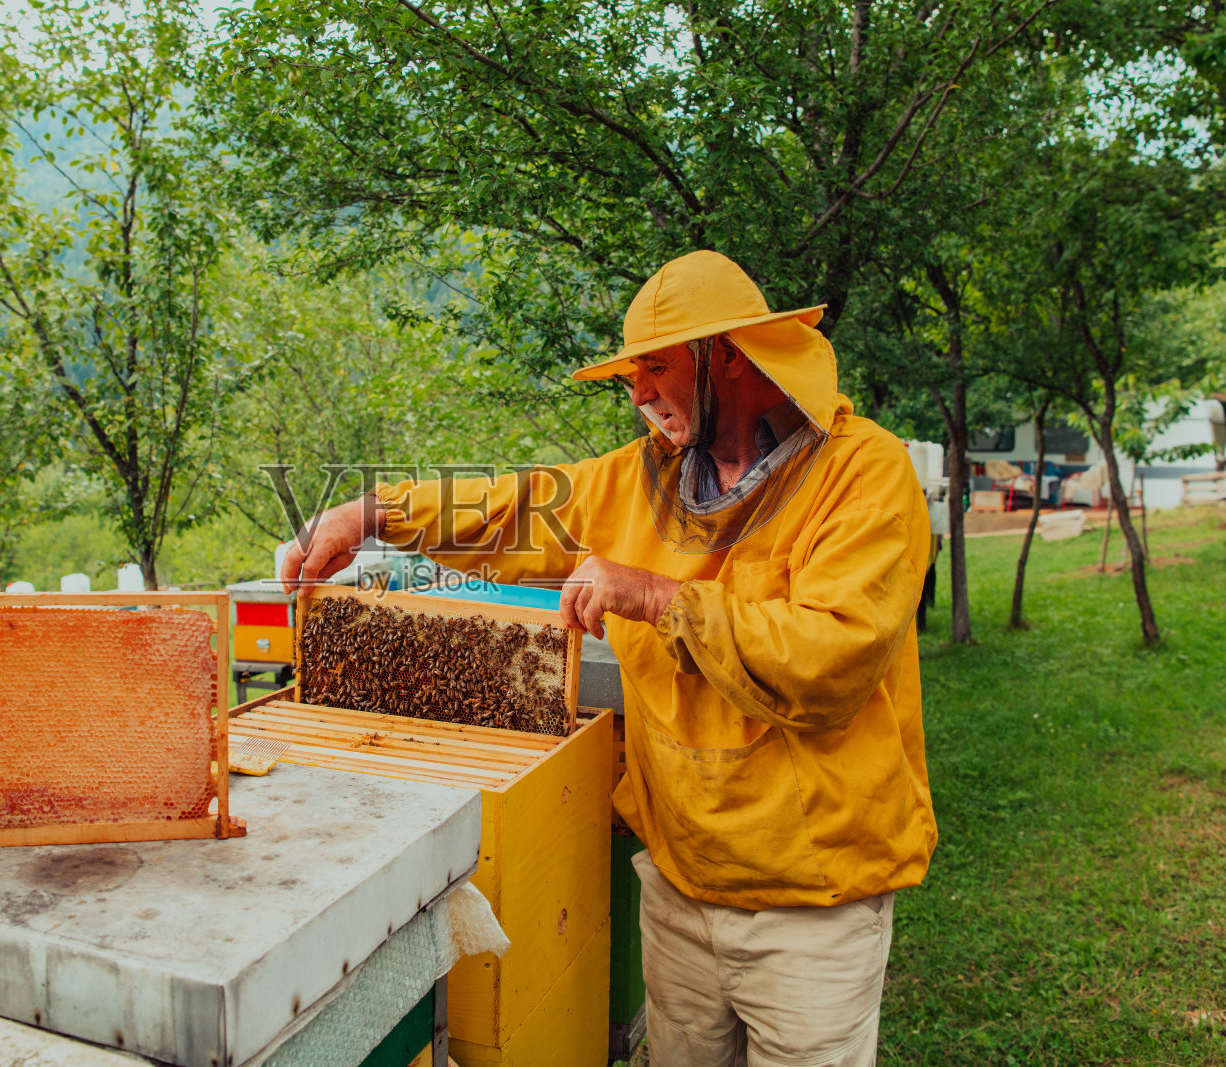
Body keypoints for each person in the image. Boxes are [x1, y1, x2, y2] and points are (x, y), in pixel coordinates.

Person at [281, 250, 937, 1067]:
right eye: (631, 375)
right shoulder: (641, 481)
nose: (637, 394)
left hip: (812, 907)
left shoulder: (862, 474)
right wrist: (371, 513)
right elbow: (511, 511)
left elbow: (830, 658)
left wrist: (654, 595)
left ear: (728, 355)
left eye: (655, 367)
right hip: (679, 885)